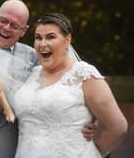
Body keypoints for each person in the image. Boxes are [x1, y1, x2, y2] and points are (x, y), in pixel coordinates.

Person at [0, 0, 97, 158]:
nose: (7, 28)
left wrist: (89, 117)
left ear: (24, 30)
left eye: (15, 26)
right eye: (3, 20)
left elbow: (63, 85)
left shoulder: (33, 56)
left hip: (8, 146)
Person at [11, 12, 128, 158]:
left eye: (51, 37)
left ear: (67, 40)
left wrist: (94, 152)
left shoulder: (84, 75)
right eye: (38, 38)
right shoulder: (31, 74)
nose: (42, 43)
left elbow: (118, 127)